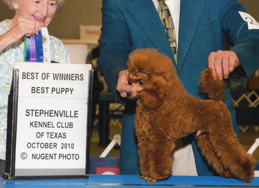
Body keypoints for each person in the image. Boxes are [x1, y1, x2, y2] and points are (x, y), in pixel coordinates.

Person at [98, 0, 259, 176]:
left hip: (207, 128)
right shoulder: (117, 2)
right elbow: (112, 50)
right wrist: (120, 72)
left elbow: (253, 34)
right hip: (149, 131)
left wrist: (237, 54)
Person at [0, 0, 70, 173]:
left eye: (51, 3)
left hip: (41, 153)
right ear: (15, 2)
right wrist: (10, 35)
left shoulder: (57, 48)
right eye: (37, 1)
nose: (44, 11)